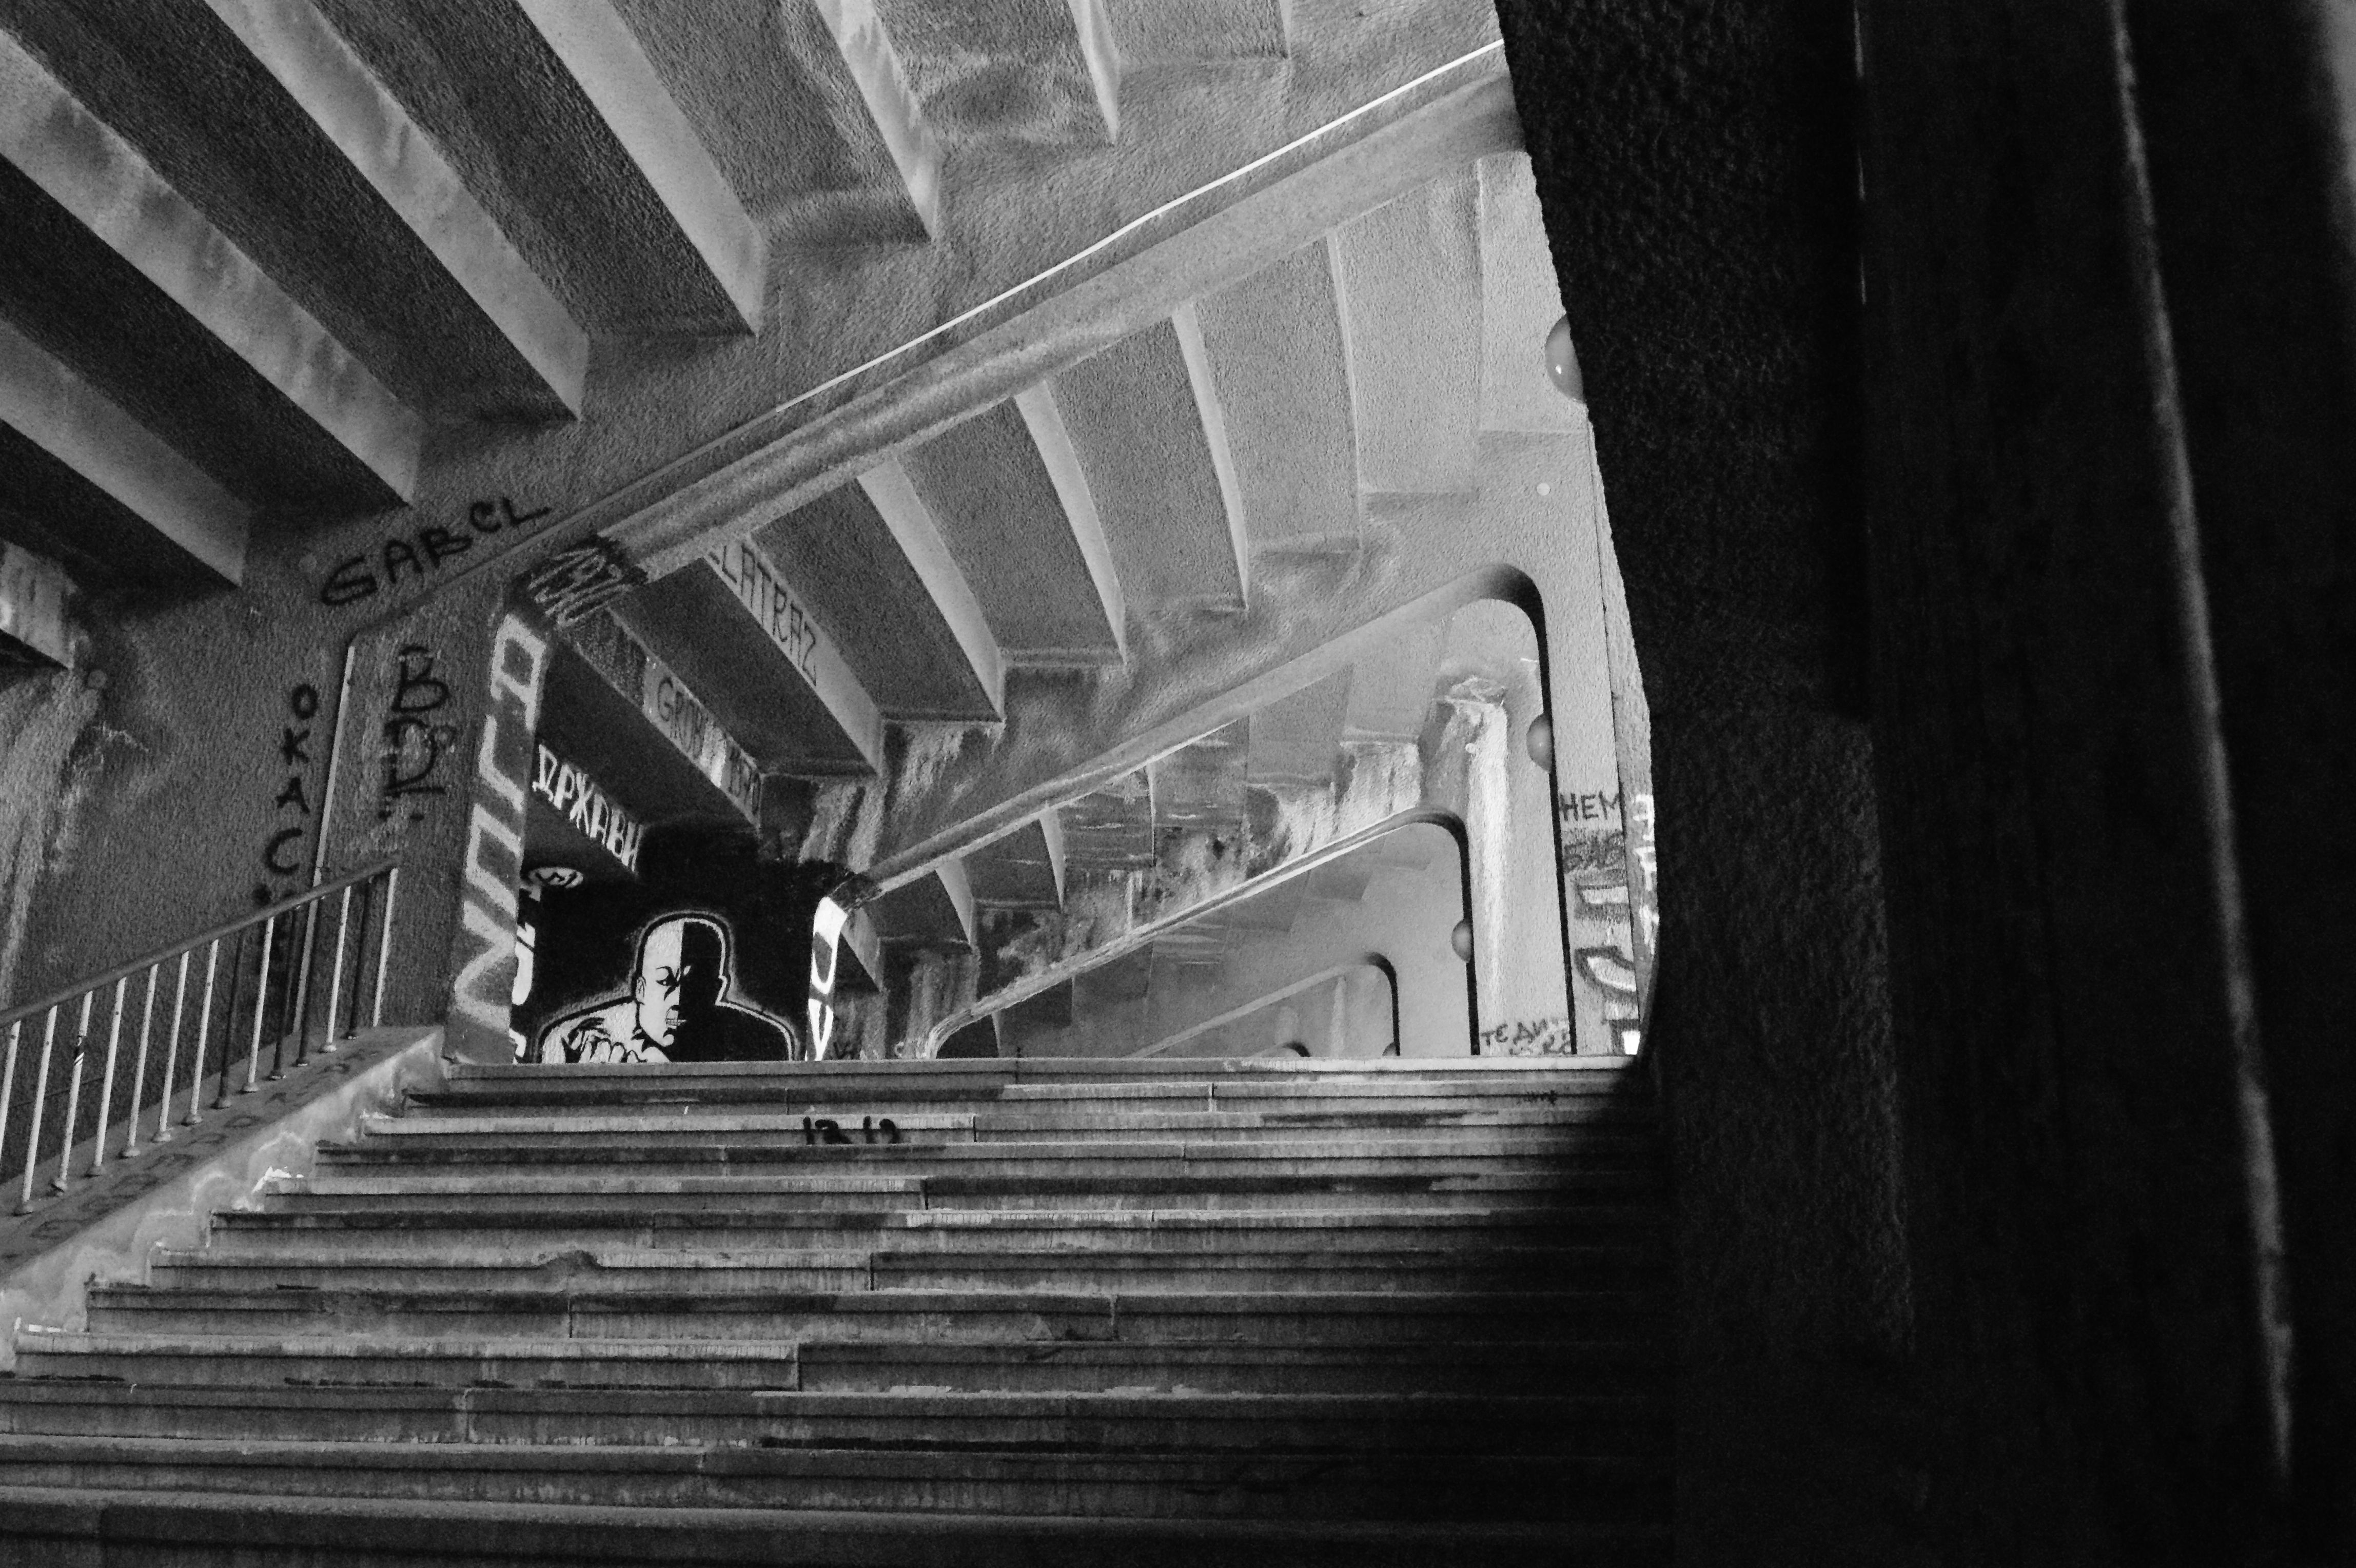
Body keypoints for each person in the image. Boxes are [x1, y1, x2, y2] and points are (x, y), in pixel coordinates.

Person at [536, 913, 797, 1064]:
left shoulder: (762, 1043)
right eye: (665, 982)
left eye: (695, 985)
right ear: (640, 989)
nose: (677, 1000)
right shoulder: (575, 1039)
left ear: (717, 991)